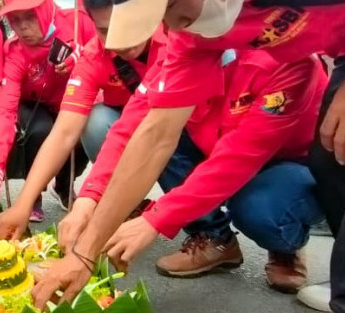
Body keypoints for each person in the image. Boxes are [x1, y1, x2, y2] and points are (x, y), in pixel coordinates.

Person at [30, 0, 345, 313]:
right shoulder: (196, 32)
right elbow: (153, 131)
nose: (176, 28)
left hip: (300, 126)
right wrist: (85, 248)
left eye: (175, 6)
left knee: (333, 148)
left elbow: (238, 156)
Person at [61, 49, 325, 293]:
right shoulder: (177, 55)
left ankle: (284, 245)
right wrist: (88, 200)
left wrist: (156, 218)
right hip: (218, 146)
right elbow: (131, 130)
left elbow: (238, 158)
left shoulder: (284, 60)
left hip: (286, 163)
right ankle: (214, 237)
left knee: (260, 211)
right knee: (156, 138)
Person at [0, 0, 165, 239]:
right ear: (94, 24)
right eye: (104, 30)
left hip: (178, 125)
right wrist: (22, 202)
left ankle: (202, 225)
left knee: (163, 136)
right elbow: (64, 133)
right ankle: (121, 202)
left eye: (124, 23)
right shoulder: (94, 55)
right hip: (116, 114)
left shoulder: (177, 42)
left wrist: (89, 201)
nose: (118, 40)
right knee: (92, 123)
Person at [0, 0, 96, 222]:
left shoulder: (77, 23)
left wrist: (85, 56)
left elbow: (108, 46)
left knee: (87, 127)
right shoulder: (15, 52)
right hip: (34, 108)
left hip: (74, 104)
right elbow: (5, 110)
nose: (22, 27)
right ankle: (33, 195)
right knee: (40, 129)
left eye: (30, 16)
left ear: (46, 8)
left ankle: (64, 185)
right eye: (15, 19)